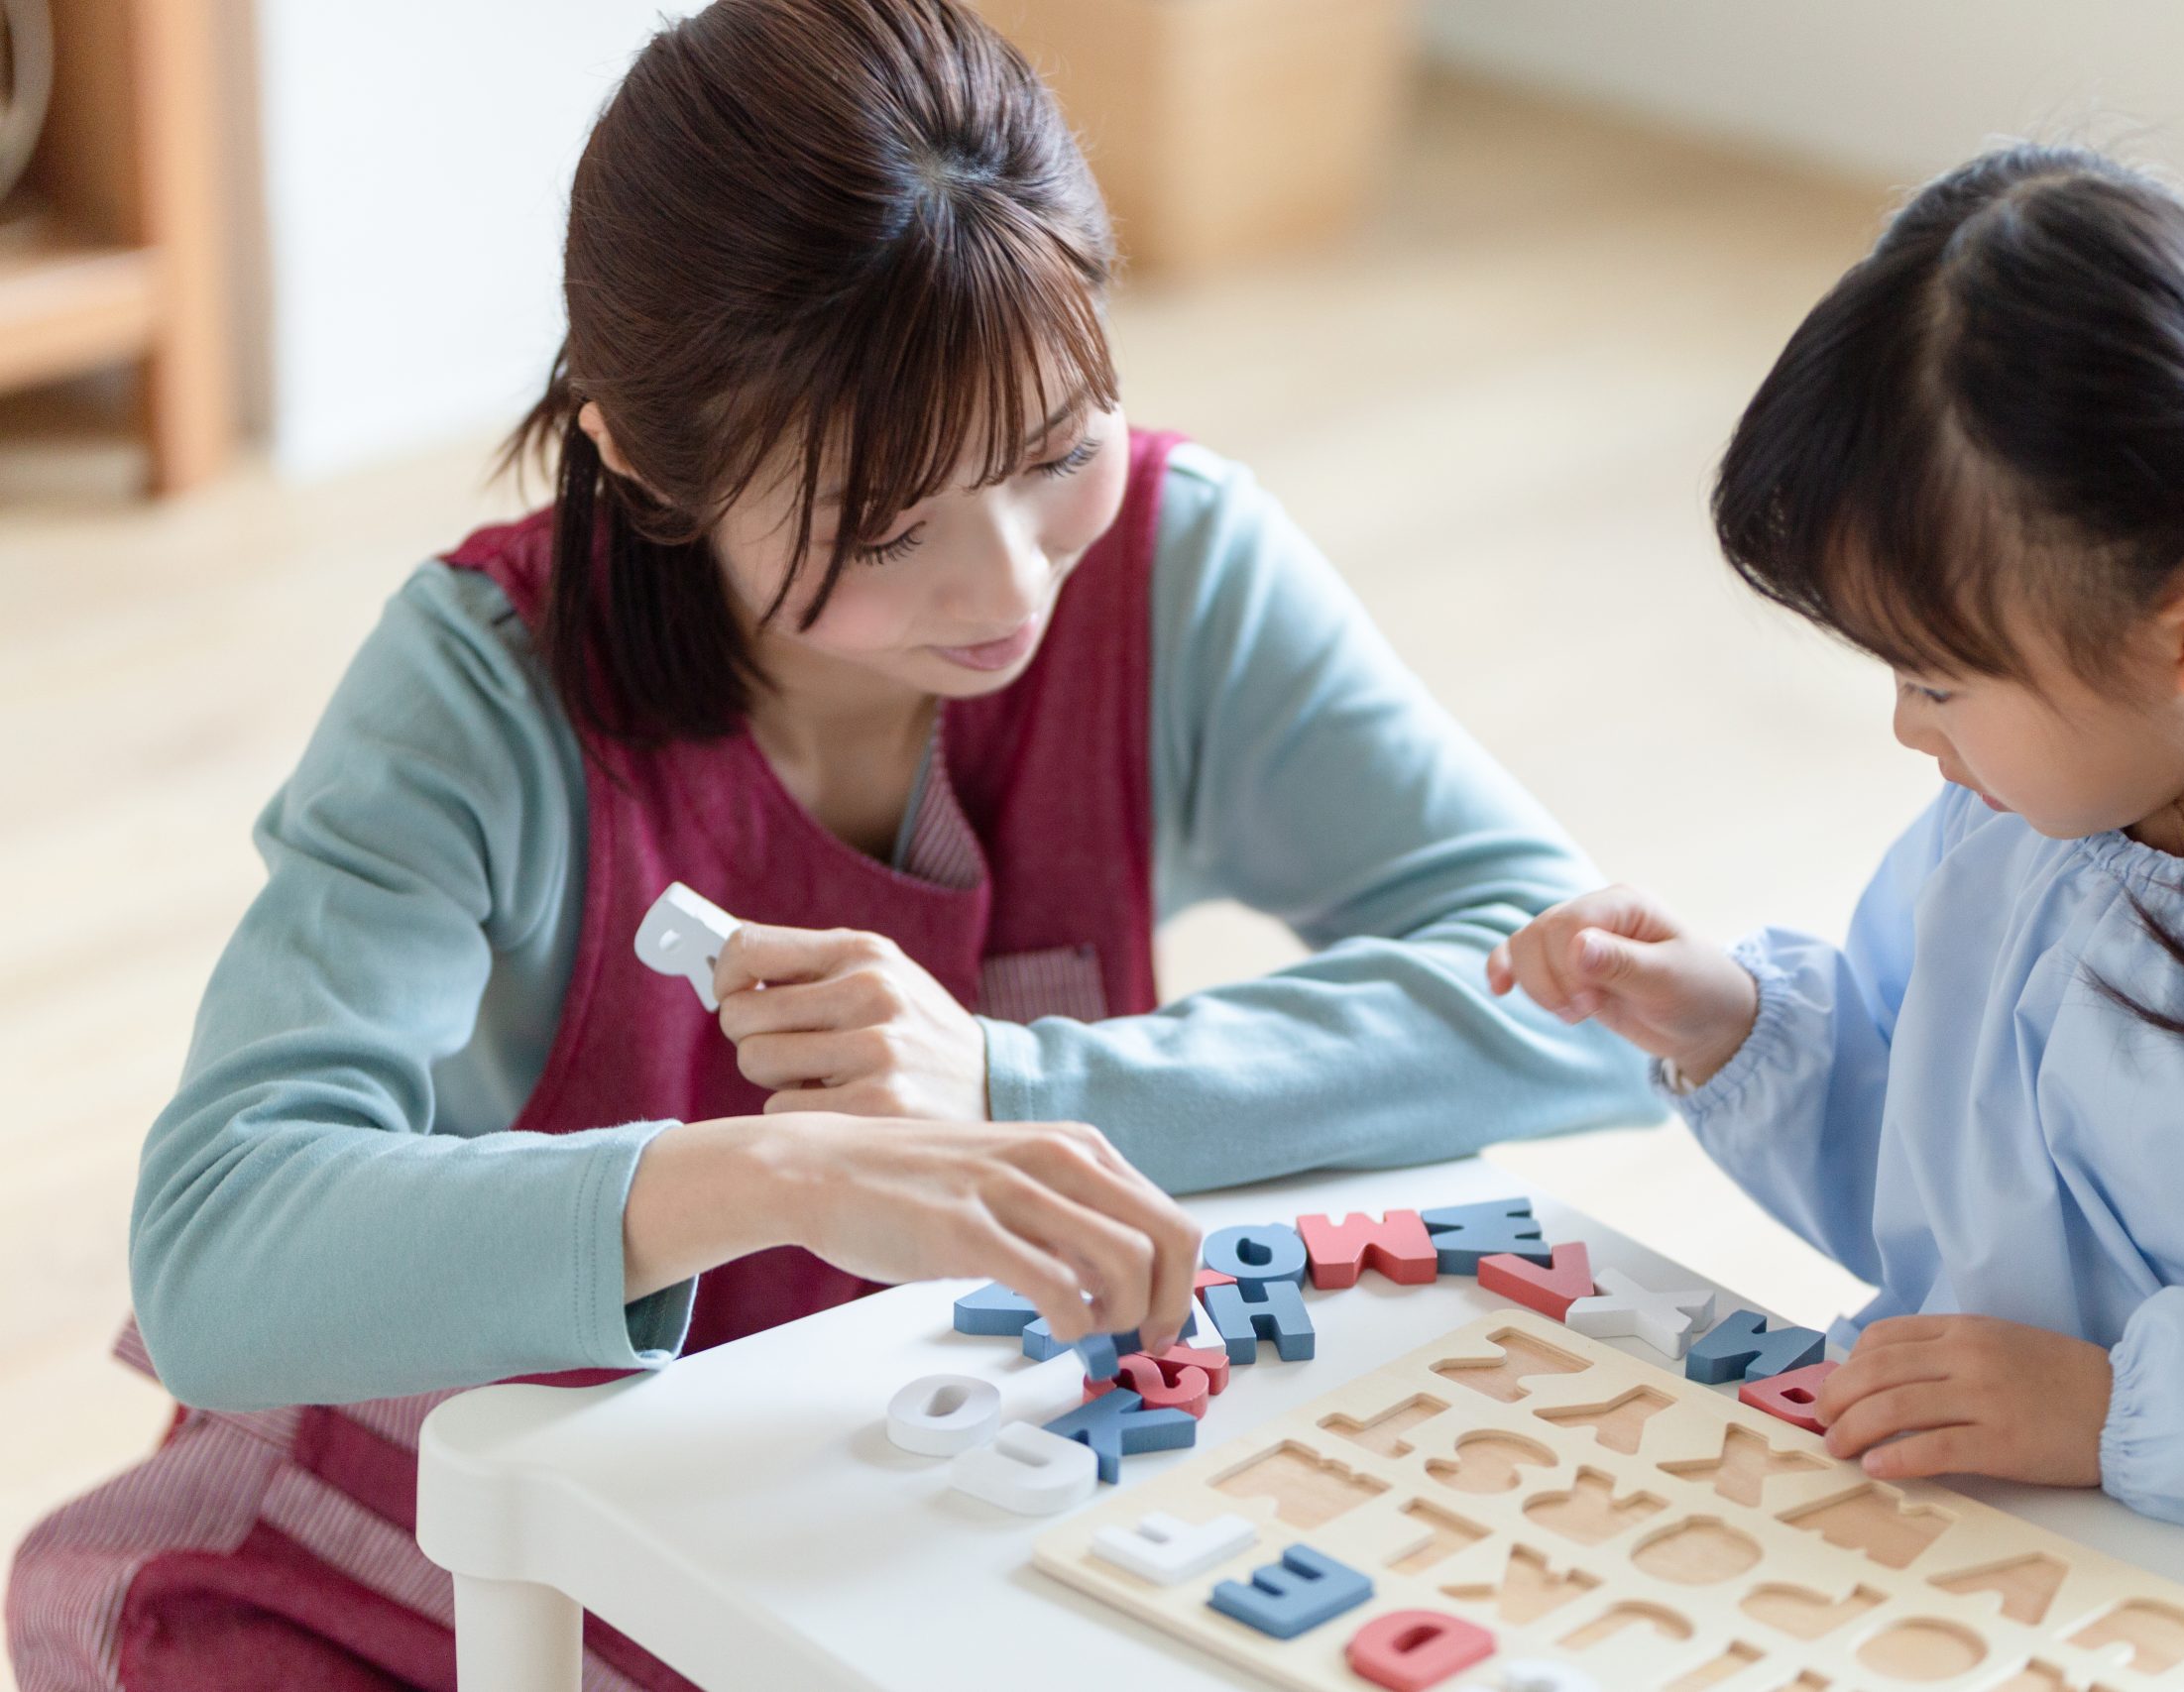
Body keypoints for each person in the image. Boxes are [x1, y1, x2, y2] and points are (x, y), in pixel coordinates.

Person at [6, 3, 1645, 1686]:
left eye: (1053, 451)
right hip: (427, 1553)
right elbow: (219, 1243)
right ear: (650, 462)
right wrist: (776, 1175)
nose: (1008, 583)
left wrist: (1014, 1088)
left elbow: (1604, 1004)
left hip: (900, 1529)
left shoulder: (1177, 567)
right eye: (884, 526)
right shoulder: (478, 690)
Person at [1492, 145, 2184, 1674]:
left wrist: (2121, 1412)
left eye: (1934, 679)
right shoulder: (2030, 823)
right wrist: (1735, 1030)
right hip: (2007, 1568)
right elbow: (1952, 1216)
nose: (1911, 734)